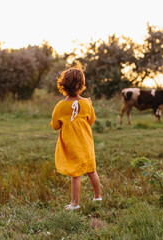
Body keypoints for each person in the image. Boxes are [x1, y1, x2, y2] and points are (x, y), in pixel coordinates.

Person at [50, 64, 102, 210]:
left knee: (75, 174)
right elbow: (91, 121)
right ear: (81, 85)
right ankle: (98, 197)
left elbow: (55, 125)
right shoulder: (87, 103)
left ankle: (75, 204)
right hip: (86, 143)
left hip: (71, 145)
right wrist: (89, 105)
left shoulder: (60, 106)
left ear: (63, 86)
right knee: (92, 170)